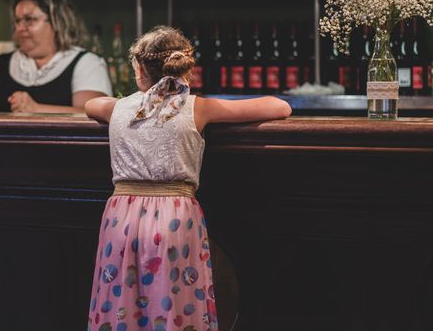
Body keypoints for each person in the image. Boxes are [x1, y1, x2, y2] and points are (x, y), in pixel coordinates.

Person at [84, 26, 291, 331]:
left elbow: (91, 105)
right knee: (172, 303)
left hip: (121, 217)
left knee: (120, 305)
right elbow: (280, 106)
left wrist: (137, 100)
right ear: (187, 69)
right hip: (173, 217)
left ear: (140, 70)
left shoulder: (118, 108)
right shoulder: (198, 107)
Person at [0, 0, 112, 113]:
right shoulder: (0, 64)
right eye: (17, 21)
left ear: (56, 22)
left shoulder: (86, 63)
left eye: (29, 19)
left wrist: (37, 109)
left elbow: (93, 115)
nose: (20, 28)